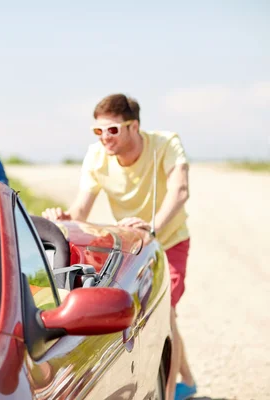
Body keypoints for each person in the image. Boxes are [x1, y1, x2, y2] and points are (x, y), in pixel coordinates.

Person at [42, 94, 196, 400]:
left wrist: (153, 228)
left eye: (112, 130)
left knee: (167, 312)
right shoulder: (96, 156)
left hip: (170, 237)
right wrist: (61, 217)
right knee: (163, 314)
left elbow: (179, 191)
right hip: (137, 244)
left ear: (133, 126)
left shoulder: (165, 144)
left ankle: (172, 389)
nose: (104, 138)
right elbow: (80, 211)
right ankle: (187, 381)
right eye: (98, 131)